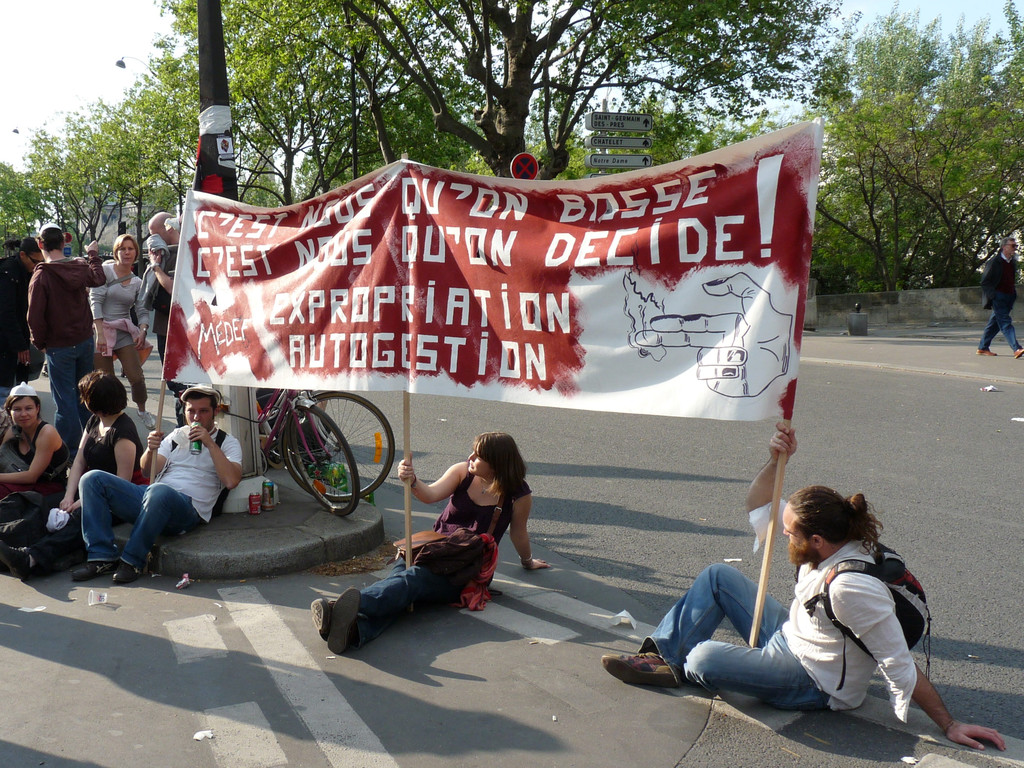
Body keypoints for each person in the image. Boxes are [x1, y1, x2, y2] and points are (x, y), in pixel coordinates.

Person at [601, 424, 1006, 753]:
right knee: (718, 575)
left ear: (816, 540)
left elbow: (897, 661)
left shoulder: (851, 588)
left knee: (704, 658)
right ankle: (662, 659)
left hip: (815, 681)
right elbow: (758, 504)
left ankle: (690, 662)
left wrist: (950, 724)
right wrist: (778, 460)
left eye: (790, 531)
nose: (783, 534)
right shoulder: (832, 539)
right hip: (790, 637)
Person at [310, 432, 550, 654]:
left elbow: (519, 533)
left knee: (409, 581)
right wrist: (412, 480)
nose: (470, 457)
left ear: (496, 463)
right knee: (402, 586)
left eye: (479, 455)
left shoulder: (518, 494)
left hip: (463, 568)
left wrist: (527, 561)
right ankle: (355, 632)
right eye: (472, 451)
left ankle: (338, 609)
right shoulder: (462, 472)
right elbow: (430, 494)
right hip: (430, 550)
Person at [71, 384, 241, 584]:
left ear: (215, 412)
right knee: (92, 479)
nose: (196, 418)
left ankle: (132, 561)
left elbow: (231, 481)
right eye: (191, 411)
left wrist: (210, 444)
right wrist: (151, 450)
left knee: (160, 491)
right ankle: (101, 556)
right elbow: (147, 470)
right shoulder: (177, 436)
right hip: (153, 495)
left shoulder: (227, 442)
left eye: (203, 411)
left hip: (187, 508)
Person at [0, 372, 145, 580]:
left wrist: (79, 503)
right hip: (85, 488)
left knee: (76, 520)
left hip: (114, 498)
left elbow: (120, 485)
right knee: (43, 504)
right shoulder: (96, 420)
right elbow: (79, 461)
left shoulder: (123, 433)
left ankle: (31, 558)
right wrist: (69, 495)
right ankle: (15, 542)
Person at [26, 223, 105, 453]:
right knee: (85, 396)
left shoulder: (41, 276)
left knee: (65, 402)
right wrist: (93, 255)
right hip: (83, 340)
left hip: (58, 347)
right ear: (64, 242)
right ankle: (92, 445)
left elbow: (34, 317)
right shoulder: (80, 267)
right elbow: (98, 279)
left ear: (41, 244)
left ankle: (69, 453)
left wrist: (40, 344)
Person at [90, 233, 155, 429]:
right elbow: (95, 300)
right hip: (101, 330)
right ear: (116, 252)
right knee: (106, 381)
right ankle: (111, 418)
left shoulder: (136, 281)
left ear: (136, 252)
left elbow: (142, 309)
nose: (126, 252)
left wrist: (143, 330)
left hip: (124, 330)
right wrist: (99, 332)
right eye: (122, 249)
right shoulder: (106, 271)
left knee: (136, 376)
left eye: (130, 249)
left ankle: (142, 410)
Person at [0, 382, 70, 500]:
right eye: (17, 409)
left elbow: (31, 476)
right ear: (9, 411)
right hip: (21, 484)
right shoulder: (13, 431)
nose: (23, 414)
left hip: (47, 488)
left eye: (28, 408)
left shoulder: (47, 433)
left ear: (37, 409)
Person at [0, 237, 45, 399]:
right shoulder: (8, 272)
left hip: (19, 340)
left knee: (19, 389)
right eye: (35, 261)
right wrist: (20, 345)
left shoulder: (27, 271)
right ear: (23, 255)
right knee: (6, 392)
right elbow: (7, 313)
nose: (36, 267)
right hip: (7, 344)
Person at [977, 235, 1023, 358]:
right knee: (1005, 323)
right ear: (1004, 247)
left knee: (994, 324)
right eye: (1013, 246)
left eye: (1016, 246)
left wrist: (1013, 294)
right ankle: (1017, 348)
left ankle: (982, 347)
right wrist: (993, 296)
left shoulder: (1012, 263)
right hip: (998, 297)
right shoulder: (994, 262)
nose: (1015, 248)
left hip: (1009, 296)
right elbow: (984, 282)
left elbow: (1010, 280)